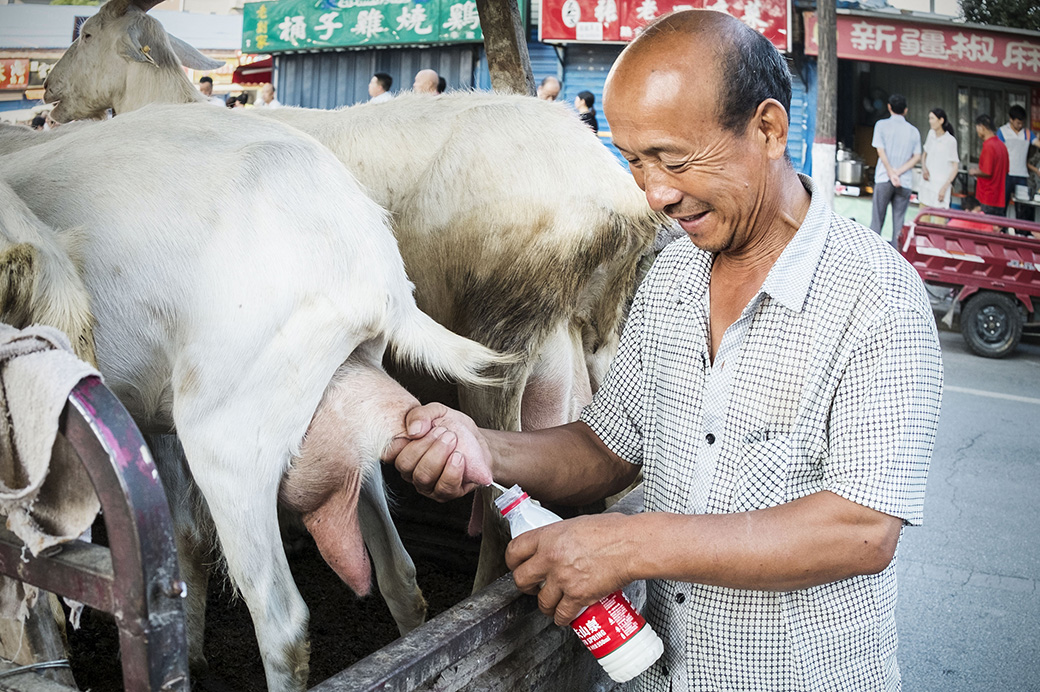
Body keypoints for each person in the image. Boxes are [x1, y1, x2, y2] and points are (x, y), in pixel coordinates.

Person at [382, 9, 942, 691]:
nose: (655, 193)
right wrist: (485, 448)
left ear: (768, 130)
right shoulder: (674, 273)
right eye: (635, 161)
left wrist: (628, 544)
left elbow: (861, 530)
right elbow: (607, 448)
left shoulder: (878, 296)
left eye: (673, 160)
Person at [870, 93, 922, 246]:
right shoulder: (914, 131)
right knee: (899, 225)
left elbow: (880, 151)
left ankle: (872, 253)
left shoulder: (881, 125)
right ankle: (897, 256)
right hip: (904, 181)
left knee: (877, 222)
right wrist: (898, 173)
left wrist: (891, 173)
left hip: (883, 178)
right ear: (905, 110)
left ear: (889, 107)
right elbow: (917, 157)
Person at [997, 105, 1038, 221]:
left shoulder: (1027, 133)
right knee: (1002, 206)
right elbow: (997, 151)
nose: (1020, 125)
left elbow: (1037, 143)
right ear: (1011, 119)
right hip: (1006, 174)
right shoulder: (1002, 132)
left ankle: (1021, 230)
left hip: (1022, 175)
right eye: (1018, 123)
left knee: (1022, 208)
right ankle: (1002, 228)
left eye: (1022, 123)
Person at [970, 114, 1009, 216]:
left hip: (987, 197)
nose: (977, 132)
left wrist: (974, 171)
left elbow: (987, 172)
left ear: (982, 127)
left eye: (977, 128)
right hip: (999, 198)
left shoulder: (988, 146)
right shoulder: (1002, 146)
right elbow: (1006, 170)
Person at [919, 107, 958, 209]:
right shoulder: (931, 134)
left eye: (932, 118)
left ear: (941, 120)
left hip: (940, 187)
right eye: (929, 118)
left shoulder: (950, 141)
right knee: (923, 216)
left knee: (939, 217)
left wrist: (945, 187)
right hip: (927, 185)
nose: (930, 121)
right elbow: (924, 154)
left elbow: (955, 167)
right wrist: (924, 168)